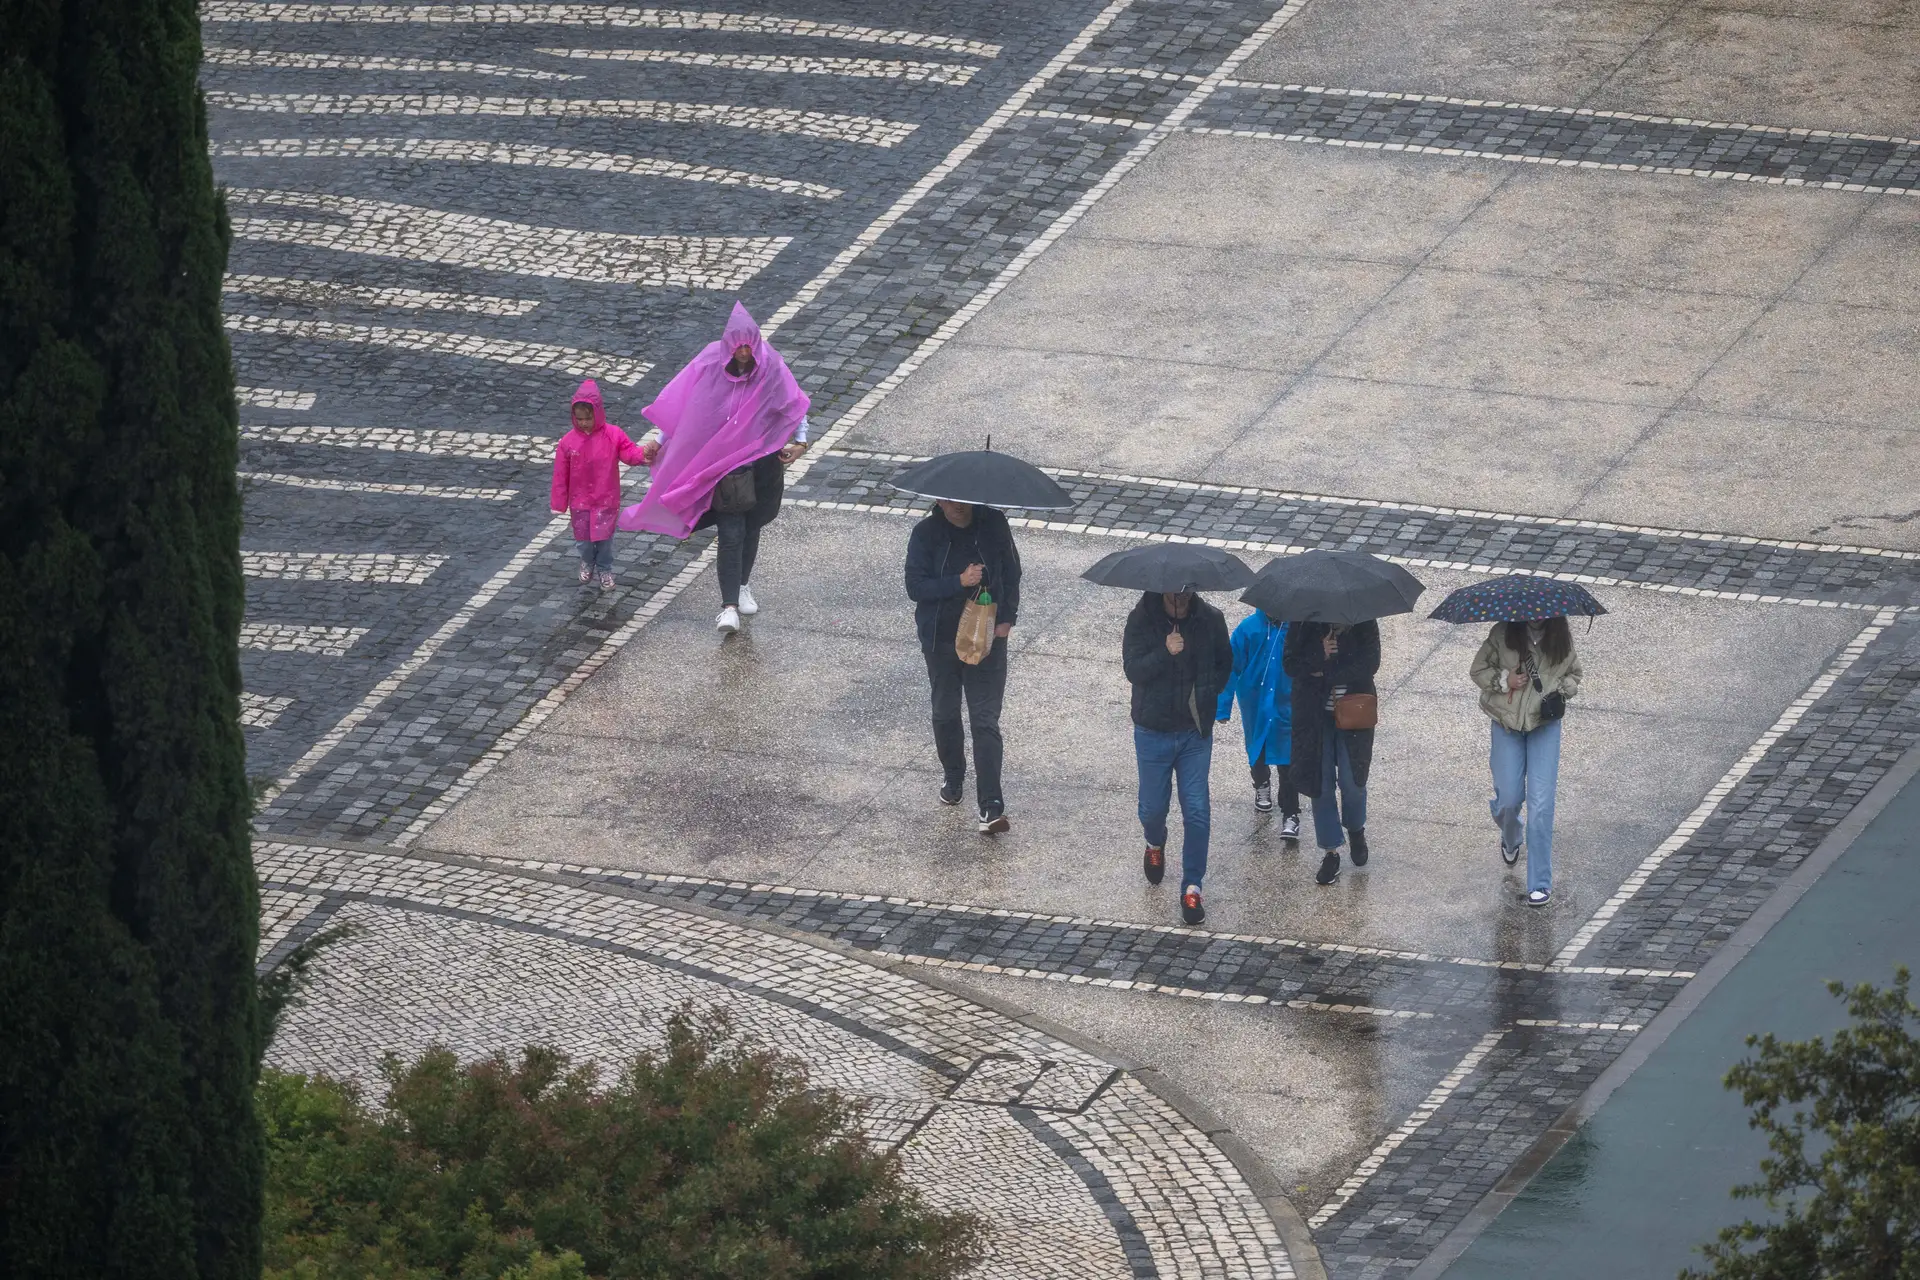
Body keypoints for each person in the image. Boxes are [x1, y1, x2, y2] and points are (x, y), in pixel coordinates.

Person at [620, 302, 810, 633]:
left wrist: (801, 442)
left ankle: (742, 585)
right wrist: (661, 441)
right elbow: (685, 407)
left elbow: (793, 404)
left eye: (749, 345)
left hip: (762, 463)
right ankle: (729, 606)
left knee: (751, 527)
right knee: (731, 531)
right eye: (738, 346)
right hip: (724, 469)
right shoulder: (708, 364)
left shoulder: (772, 368)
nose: (744, 352)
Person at [905, 500, 1021, 834]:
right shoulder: (926, 534)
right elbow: (916, 587)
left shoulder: (994, 523)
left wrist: (1007, 619)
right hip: (942, 640)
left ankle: (991, 805)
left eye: (962, 500)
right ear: (939, 501)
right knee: (945, 712)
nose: (956, 506)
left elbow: (1012, 572)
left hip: (986, 640)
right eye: (948, 500)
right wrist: (959, 581)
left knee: (984, 720)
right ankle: (954, 776)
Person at [1123, 589, 1232, 925]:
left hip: (1193, 733)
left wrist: (1208, 696)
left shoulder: (1211, 621)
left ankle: (1192, 886)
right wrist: (1164, 652)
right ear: (1162, 594)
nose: (1181, 603)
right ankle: (1155, 841)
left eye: (1186, 596)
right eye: (1175, 598)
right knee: (1152, 808)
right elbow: (1133, 670)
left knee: (1197, 811)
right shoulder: (1141, 619)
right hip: (1153, 730)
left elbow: (1224, 664)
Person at [1470, 616, 1582, 906]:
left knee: (1541, 804)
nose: (1535, 617)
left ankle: (1540, 883)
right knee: (1508, 798)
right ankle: (1510, 837)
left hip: (1544, 725)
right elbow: (1478, 669)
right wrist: (1503, 680)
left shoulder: (1560, 638)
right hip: (1507, 724)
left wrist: (1563, 689)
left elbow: (1575, 674)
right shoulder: (1502, 633)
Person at [1284, 619, 1381, 885]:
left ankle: (1356, 829)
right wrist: (1319, 654)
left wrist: (1326, 670)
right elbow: (1290, 664)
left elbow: (1369, 664)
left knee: (1353, 782)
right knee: (1321, 784)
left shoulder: (1364, 621)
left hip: (1354, 715)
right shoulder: (1303, 622)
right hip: (1315, 718)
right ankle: (1330, 851)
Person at [550, 379, 648, 591]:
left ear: (597, 413)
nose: (584, 423)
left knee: (604, 540)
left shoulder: (613, 435)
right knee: (583, 540)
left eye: (588, 418)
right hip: (580, 501)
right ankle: (587, 561)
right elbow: (561, 474)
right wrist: (559, 503)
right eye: (580, 419)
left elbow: (628, 452)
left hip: (605, 499)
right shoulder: (567, 443)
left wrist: (643, 455)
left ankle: (604, 568)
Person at [1216, 609, 1301, 838]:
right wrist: (1222, 706)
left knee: (1288, 759)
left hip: (1287, 703)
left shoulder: (1296, 629)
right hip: (1255, 704)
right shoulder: (1248, 628)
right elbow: (1230, 668)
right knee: (1257, 750)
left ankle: (1291, 812)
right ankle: (1261, 783)